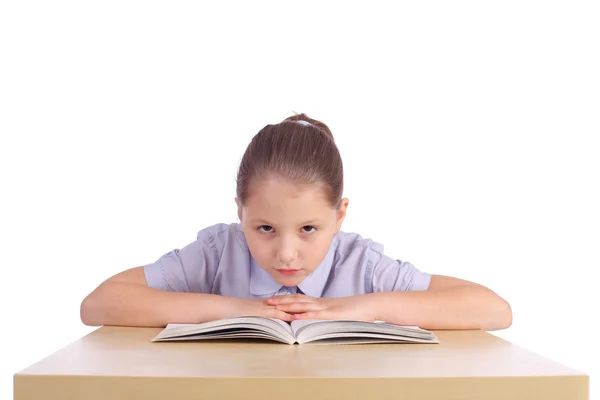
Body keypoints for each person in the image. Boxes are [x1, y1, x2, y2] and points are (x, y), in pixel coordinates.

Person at [80, 113, 512, 331]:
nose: (286, 254)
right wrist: (237, 311)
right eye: (264, 228)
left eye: (309, 229)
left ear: (339, 215)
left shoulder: (362, 264)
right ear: (240, 213)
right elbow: (99, 303)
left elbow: (495, 310)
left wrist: (354, 308)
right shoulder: (217, 253)